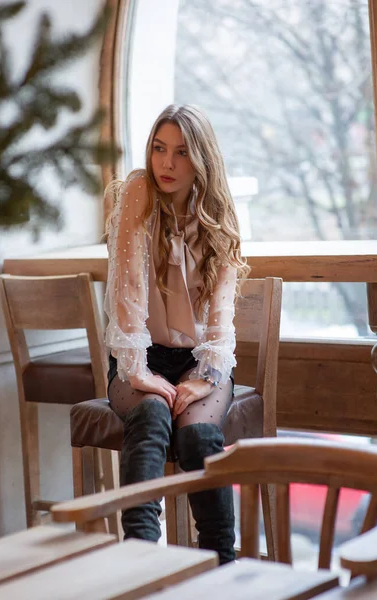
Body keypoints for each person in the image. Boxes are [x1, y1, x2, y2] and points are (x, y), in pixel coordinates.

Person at [104, 104, 249, 565]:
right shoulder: (139, 192)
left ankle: (221, 565)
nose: (166, 163)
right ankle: (140, 562)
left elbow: (221, 318)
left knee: (197, 438)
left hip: (199, 359)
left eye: (182, 153)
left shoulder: (220, 215)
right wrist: (137, 370)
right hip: (139, 353)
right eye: (159, 149)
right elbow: (127, 289)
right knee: (149, 416)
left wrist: (205, 376)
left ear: (201, 159)